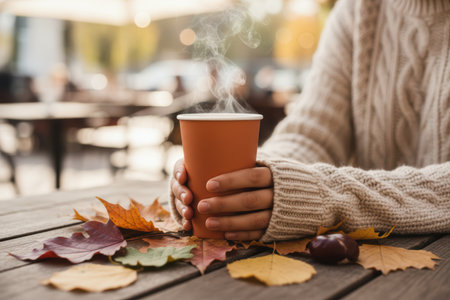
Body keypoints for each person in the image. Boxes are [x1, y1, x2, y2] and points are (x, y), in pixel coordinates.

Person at [170, 0, 450, 242]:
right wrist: (252, 177)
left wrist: (326, 197)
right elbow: (311, 134)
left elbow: (320, 190)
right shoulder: (359, 10)